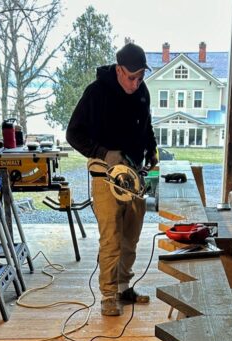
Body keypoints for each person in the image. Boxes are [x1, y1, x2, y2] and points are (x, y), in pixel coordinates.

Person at [66, 42, 158, 316]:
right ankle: (108, 295)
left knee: (131, 236)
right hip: (105, 176)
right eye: (131, 76)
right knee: (112, 238)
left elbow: (147, 126)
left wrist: (152, 152)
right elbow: (73, 134)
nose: (136, 82)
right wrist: (104, 153)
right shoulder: (96, 94)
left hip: (134, 176)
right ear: (118, 70)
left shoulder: (142, 93)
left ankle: (123, 287)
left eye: (141, 76)